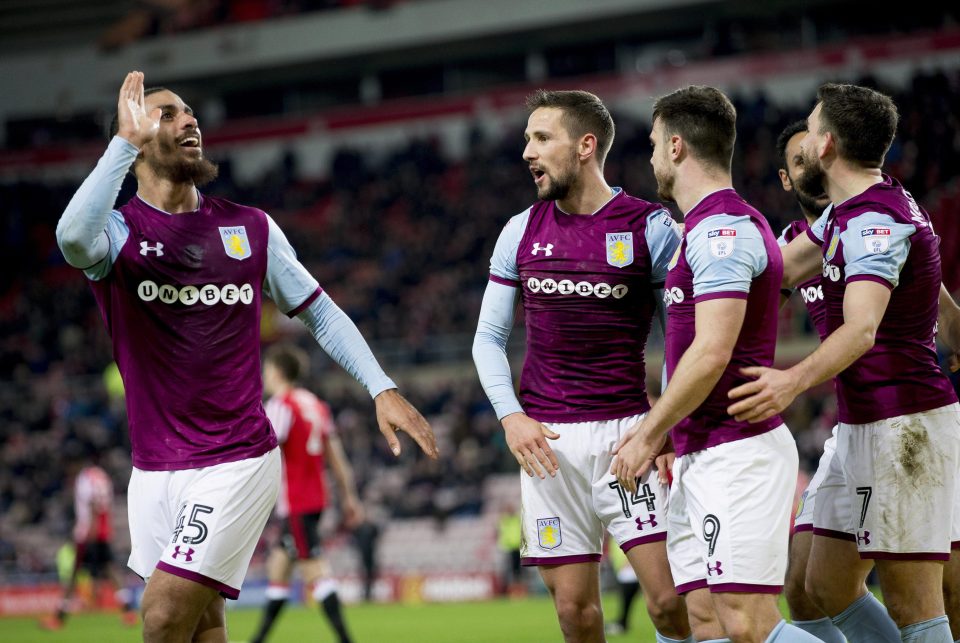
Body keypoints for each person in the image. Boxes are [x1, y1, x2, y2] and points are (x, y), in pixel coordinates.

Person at [55, 71, 438, 643]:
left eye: (189, 111)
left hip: (236, 459)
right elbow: (71, 239)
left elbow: (322, 313)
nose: (189, 119)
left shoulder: (248, 228)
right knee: (204, 625)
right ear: (133, 143)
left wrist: (380, 386)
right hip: (153, 471)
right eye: (166, 114)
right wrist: (122, 144)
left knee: (161, 616)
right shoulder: (117, 232)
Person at [728, 82, 960, 642]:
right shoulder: (851, 212)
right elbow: (776, 270)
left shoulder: (874, 220)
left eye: (809, 127)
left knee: (916, 603)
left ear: (827, 144)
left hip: (905, 426)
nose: (803, 139)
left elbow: (861, 328)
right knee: (819, 584)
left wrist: (791, 380)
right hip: (862, 425)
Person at [472, 89, 691, 643]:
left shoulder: (651, 227)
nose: (528, 151)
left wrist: (663, 424)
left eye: (542, 138)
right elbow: (487, 339)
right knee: (575, 613)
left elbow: (681, 337)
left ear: (586, 146)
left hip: (628, 439)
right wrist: (509, 416)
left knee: (668, 602)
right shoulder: (519, 230)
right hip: (546, 445)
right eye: (527, 139)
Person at [611, 85, 819, 642]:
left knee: (747, 624)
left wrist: (647, 432)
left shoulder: (722, 230)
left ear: (676, 147)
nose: (651, 156)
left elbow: (710, 352)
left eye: (655, 144)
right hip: (702, 453)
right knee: (702, 621)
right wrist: (672, 437)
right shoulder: (698, 230)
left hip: (739, 452)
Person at [774, 120, 894, 642]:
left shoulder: (870, 215)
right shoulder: (789, 245)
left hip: (903, 415)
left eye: (816, 155)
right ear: (785, 179)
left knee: (929, 591)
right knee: (801, 584)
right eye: (798, 162)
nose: (812, 166)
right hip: (851, 427)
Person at [249, 343, 361, 643]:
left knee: (315, 572)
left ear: (277, 371)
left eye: (267, 370)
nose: (264, 375)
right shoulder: (315, 404)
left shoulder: (280, 405)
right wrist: (349, 495)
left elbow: (264, 448)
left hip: (296, 499)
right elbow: (335, 455)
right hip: (316, 497)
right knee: (279, 568)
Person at [40, 455, 137, 630]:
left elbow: (93, 504)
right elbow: (105, 504)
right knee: (110, 569)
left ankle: (59, 618)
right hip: (104, 532)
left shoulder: (84, 478)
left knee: (74, 574)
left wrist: (89, 533)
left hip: (89, 533)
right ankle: (128, 610)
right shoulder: (101, 475)